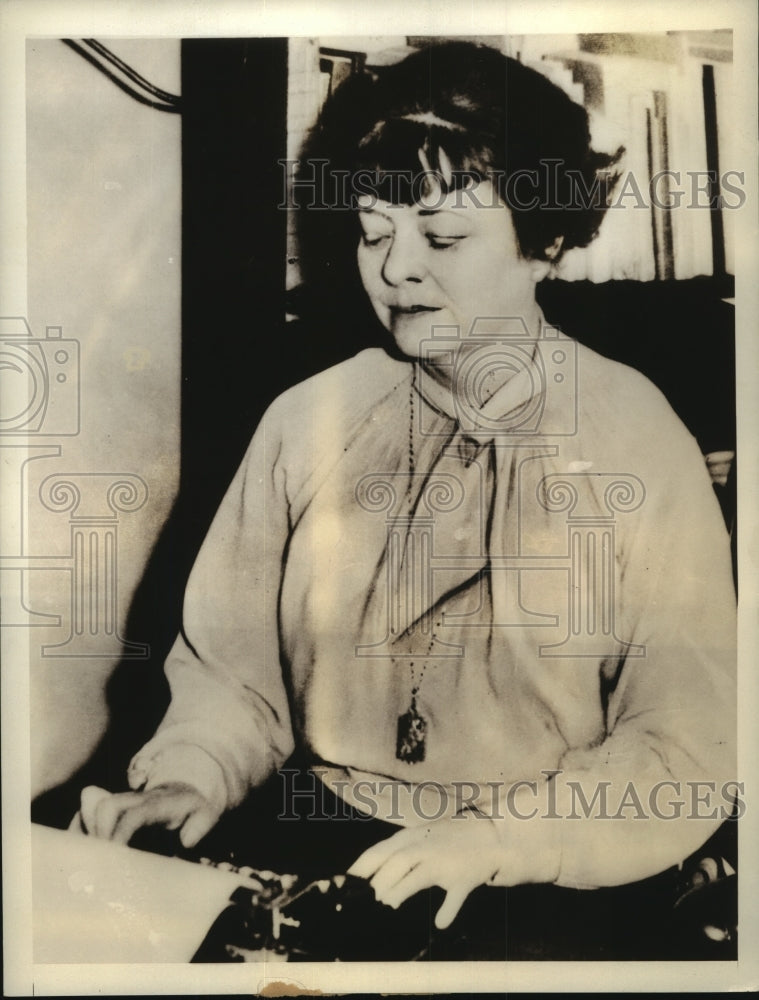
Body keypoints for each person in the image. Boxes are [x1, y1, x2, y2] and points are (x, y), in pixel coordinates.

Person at [76, 41, 737, 957]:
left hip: (551, 866)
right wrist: (193, 774)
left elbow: (685, 744)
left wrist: (503, 841)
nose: (394, 271)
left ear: (545, 240)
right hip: (320, 835)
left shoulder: (635, 438)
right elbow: (233, 677)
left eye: (442, 237)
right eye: (373, 230)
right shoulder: (306, 419)